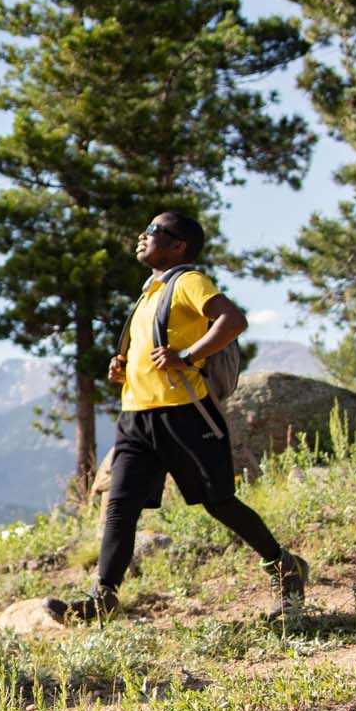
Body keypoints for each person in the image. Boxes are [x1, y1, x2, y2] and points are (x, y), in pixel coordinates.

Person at [53, 211, 309, 624]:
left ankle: (284, 567)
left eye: (153, 230)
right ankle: (102, 598)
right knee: (120, 507)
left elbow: (234, 320)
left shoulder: (188, 282)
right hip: (137, 417)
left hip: (186, 415)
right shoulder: (149, 292)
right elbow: (153, 352)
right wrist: (124, 371)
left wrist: (189, 357)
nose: (143, 235)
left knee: (219, 502)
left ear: (178, 246)